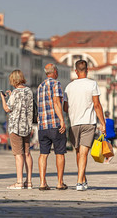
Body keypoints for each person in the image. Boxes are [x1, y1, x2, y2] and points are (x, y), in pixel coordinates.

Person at [63, 60, 106, 191]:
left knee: (79, 152)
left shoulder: (69, 87)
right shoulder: (92, 84)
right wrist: (102, 123)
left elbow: (65, 107)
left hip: (74, 123)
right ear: (87, 70)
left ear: (75, 71)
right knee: (83, 153)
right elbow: (97, 105)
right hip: (88, 122)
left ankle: (81, 179)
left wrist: (74, 110)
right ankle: (80, 181)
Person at [0, 70, 34, 190]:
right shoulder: (29, 91)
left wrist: (3, 98)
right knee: (27, 153)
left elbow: (7, 108)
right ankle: (29, 181)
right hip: (27, 126)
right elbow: (25, 105)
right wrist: (11, 96)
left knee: (18, 154)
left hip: (15, 127)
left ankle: (19, 182)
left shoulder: (15, 93)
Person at [37, 63, 67, 191]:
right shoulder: (56, 84)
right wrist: (62, 120)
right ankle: (60, 183)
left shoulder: (40, 86)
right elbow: (56, 102)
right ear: (54, 71)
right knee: (59, 153)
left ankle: (43, 182)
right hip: (55, 124)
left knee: (43, 154)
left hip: (42, 125)